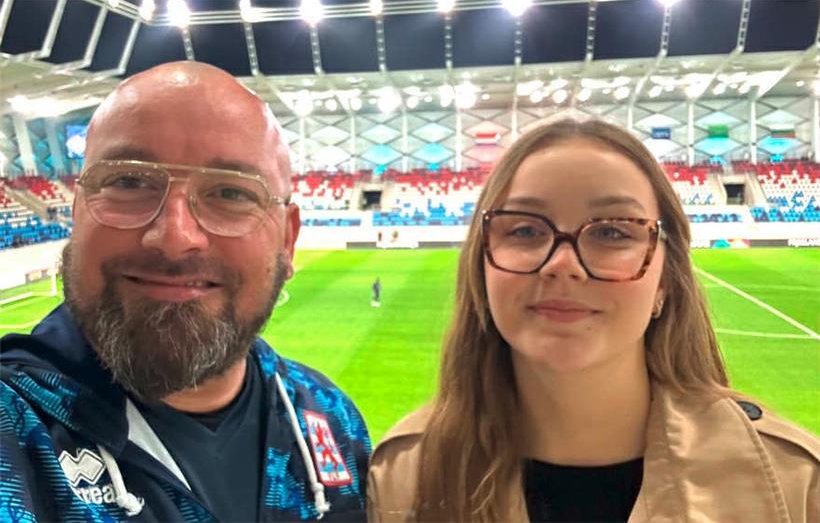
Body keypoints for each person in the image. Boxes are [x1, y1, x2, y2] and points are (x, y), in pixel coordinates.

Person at [367, 118, 819, 522]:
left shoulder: (795, 485)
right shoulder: (403, 480)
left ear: (666, 280)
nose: (563, 264)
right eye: (525, 229)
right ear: (480, 269)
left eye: (611, 232)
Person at [0, 62, 370, 522]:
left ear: (287, 240)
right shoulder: (12, 431)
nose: (175, 238)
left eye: (231, 193)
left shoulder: (331, 422)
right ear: (77, 213)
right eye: (128, 181)